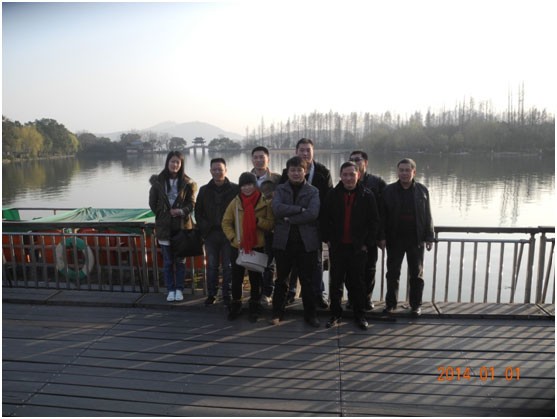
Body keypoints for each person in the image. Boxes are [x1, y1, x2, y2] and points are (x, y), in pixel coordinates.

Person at [321, 161, 379, 330]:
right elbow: (324, 219)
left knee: (358, 283)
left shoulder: (367, 195)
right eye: (345, 175)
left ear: (358, 175)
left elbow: (374, 222)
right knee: (336, 283)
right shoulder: (332, 195)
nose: (348, 178)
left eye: (352, 174)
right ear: (340, 176)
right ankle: (335, 314)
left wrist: (367, 243)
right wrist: (327, 239)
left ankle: (360, 315)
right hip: (338, 247)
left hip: (358, 248)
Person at [280, 138, 332, 309]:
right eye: (301, 150)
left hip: (314, 226)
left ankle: (319, 293)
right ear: (296, 152)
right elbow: (282, 201)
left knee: (316, 262)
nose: (305, 153)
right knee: (292, 262)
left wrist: (325, 228)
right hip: (291, 227)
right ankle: (290, 292)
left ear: (313, 151)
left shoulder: (323, 172)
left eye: (308, 150)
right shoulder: (287, 172)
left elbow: (328, 201)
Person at [378, 158, 434, 317]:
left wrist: (429, 236)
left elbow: (428, 215)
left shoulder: (422, 191)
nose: (404, 173)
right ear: (397, 172)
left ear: (413, 172)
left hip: (416, 239)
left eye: (407, 170)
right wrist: (381, 236)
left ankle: (416, 305)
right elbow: (382, 217)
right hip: (394, 239)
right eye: (401, 170)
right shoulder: (388, 191)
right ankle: (391, 304)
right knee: (392, 273)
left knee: (416, 275)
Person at [271, 156, 321, 327]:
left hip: (306, 242)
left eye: (299, 170)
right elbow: (277, 209)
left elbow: (312, 214)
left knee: (307, 281)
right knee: (281, 280)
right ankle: (277, 312)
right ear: (288, 172)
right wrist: (299, 209)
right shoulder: (280, 189)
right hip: (283, 242)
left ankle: (311, 315)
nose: (296, 173)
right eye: (292, 170)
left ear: (305, 171)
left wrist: (290, 219)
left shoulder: (313, 191)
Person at [221, 172, 274, 322]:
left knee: (255, 279)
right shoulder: (235, 202)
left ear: (255, 185)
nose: (247, 188)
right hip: (238, 246)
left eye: (250, 184)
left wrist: (258, 221)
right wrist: (233, 238)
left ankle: (254, 306)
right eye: (243, 185)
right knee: (236, 277)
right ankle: (236, 304)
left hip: (257, 245)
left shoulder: (264, 202)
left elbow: (270, 224)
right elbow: (226, 222)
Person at [149, 151, 197, 302]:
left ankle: (179, 289)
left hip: (181, 226)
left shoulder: (187, 183)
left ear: (181, 164)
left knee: (180, 262)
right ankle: (170, 289)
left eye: (178, 162)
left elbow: (192, 203)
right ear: (167, 162)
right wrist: (163, 214)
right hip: (164, 227)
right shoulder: (158, 182)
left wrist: (181, 211)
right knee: (168, 261)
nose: (175, 164)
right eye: (172, 161)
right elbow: (152, 203)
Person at [195, 158, 239, 306]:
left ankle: (227, 294)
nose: (217, 172)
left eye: (220, 169)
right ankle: (212, 294)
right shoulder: (204, 190)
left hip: (229, 234)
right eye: (214, 169)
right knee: (212, 266)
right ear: (210, 171)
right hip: (211, 234)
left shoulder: (235, 189)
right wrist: (204, 229)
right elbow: (198, 212)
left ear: (226, 170)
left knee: (228, 266)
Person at [347, 150, 387, 310]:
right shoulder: (346, 181)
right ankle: (352, 299)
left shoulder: (377, 183)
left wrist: (381, 235)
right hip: (351, 236)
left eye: (358, 159)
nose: (355, 162)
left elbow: (384, 211)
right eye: (352, 160)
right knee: (351, 270)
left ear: (366, 162)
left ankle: (366, 299)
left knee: (369, 269)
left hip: (371, 234)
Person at [250, 146, 281, 305]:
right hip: (252, 227)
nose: (259, 160)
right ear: (252, 160)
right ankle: (255, 292)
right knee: (254, 261)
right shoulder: (247, 179)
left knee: (269, 262)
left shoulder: (277, 179)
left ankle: (267, 293)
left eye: (262, 157)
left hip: (270, 227)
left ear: (268, 159)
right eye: (256, 157)